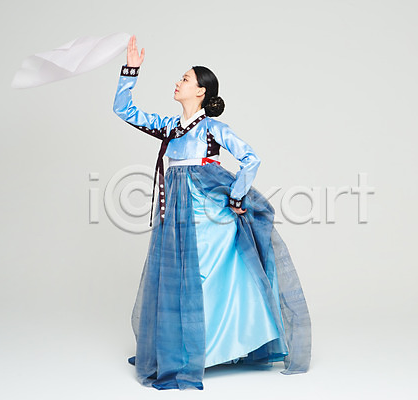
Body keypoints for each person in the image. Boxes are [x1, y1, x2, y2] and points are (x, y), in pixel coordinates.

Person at [113, 35, 311, 390]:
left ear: (201, 91)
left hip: (207, 210)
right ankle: (185, 350)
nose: (178, 82)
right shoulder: (170, 127)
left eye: (185, 79)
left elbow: (251, 158)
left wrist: (236, 196)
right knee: (179, 277)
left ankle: (210, 349)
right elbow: (124, 110)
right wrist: (131, 71)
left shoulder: (213, 129)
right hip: (177, 210)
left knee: (205, 276)